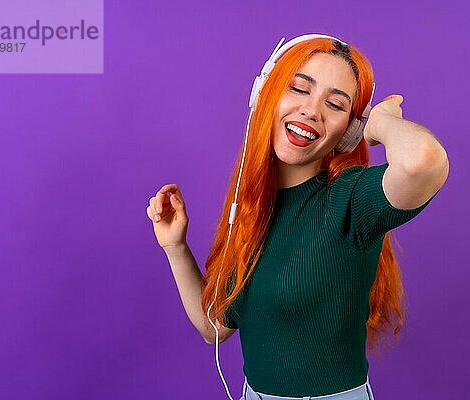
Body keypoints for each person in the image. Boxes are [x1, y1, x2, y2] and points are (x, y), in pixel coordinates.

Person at [147, 34, 449, 400]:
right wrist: (175, 246)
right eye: (299, 89)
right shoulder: (251, 213)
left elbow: (424, 161)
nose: (311, 110)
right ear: (265, 95)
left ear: (348, 132)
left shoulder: (351, 200)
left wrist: (379, 124)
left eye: (335, 105)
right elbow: (216, 328)